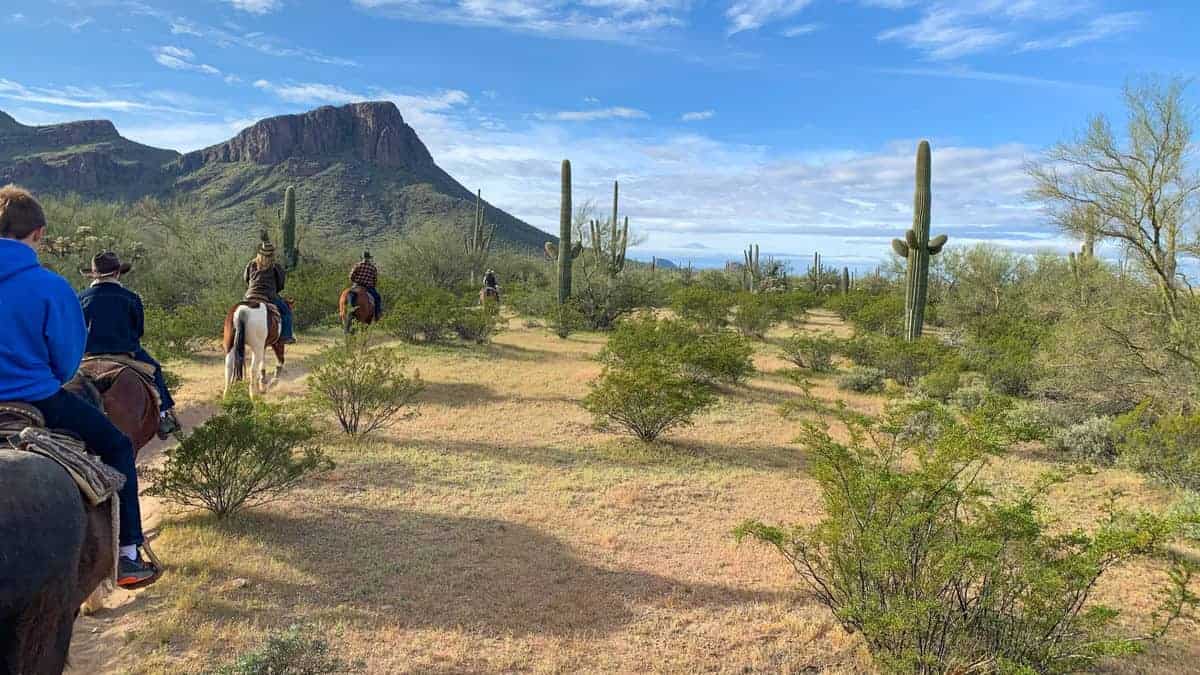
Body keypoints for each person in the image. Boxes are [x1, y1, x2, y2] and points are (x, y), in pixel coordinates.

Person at [0, 185, 158, 588]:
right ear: (38, 233)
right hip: (37, 397)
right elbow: (69, 361)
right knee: (119, 445)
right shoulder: (50, 286)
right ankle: (128, 555)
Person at [77, 251, 181, 438]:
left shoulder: (81, 297)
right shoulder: (131, 298)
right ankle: (165, 416)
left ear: (93, 274)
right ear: (117, 273)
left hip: (87, 356)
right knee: (155, 369)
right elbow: (138, 330)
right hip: (126, 354)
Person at [243, 234, 294, 343]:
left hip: (250, 295)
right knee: (286, 311)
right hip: (269, 296)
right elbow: (281, 284)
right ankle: (286, 336)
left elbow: (246, 279)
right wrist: (276, 291)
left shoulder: (251, 264)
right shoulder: (275, 267)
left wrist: (252, 288)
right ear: (272, 255)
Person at [348, 250, 382, 320]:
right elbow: (375, 280)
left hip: (357, 285)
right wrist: (372, 285)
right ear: (369, 258)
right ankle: (377, 315)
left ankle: (347, 311)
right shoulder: (373, 268)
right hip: (368, 287)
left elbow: (351, 276)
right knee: (377, 298)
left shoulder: (357, 265)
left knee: (348, 294)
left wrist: (354, 282)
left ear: (362, 257)